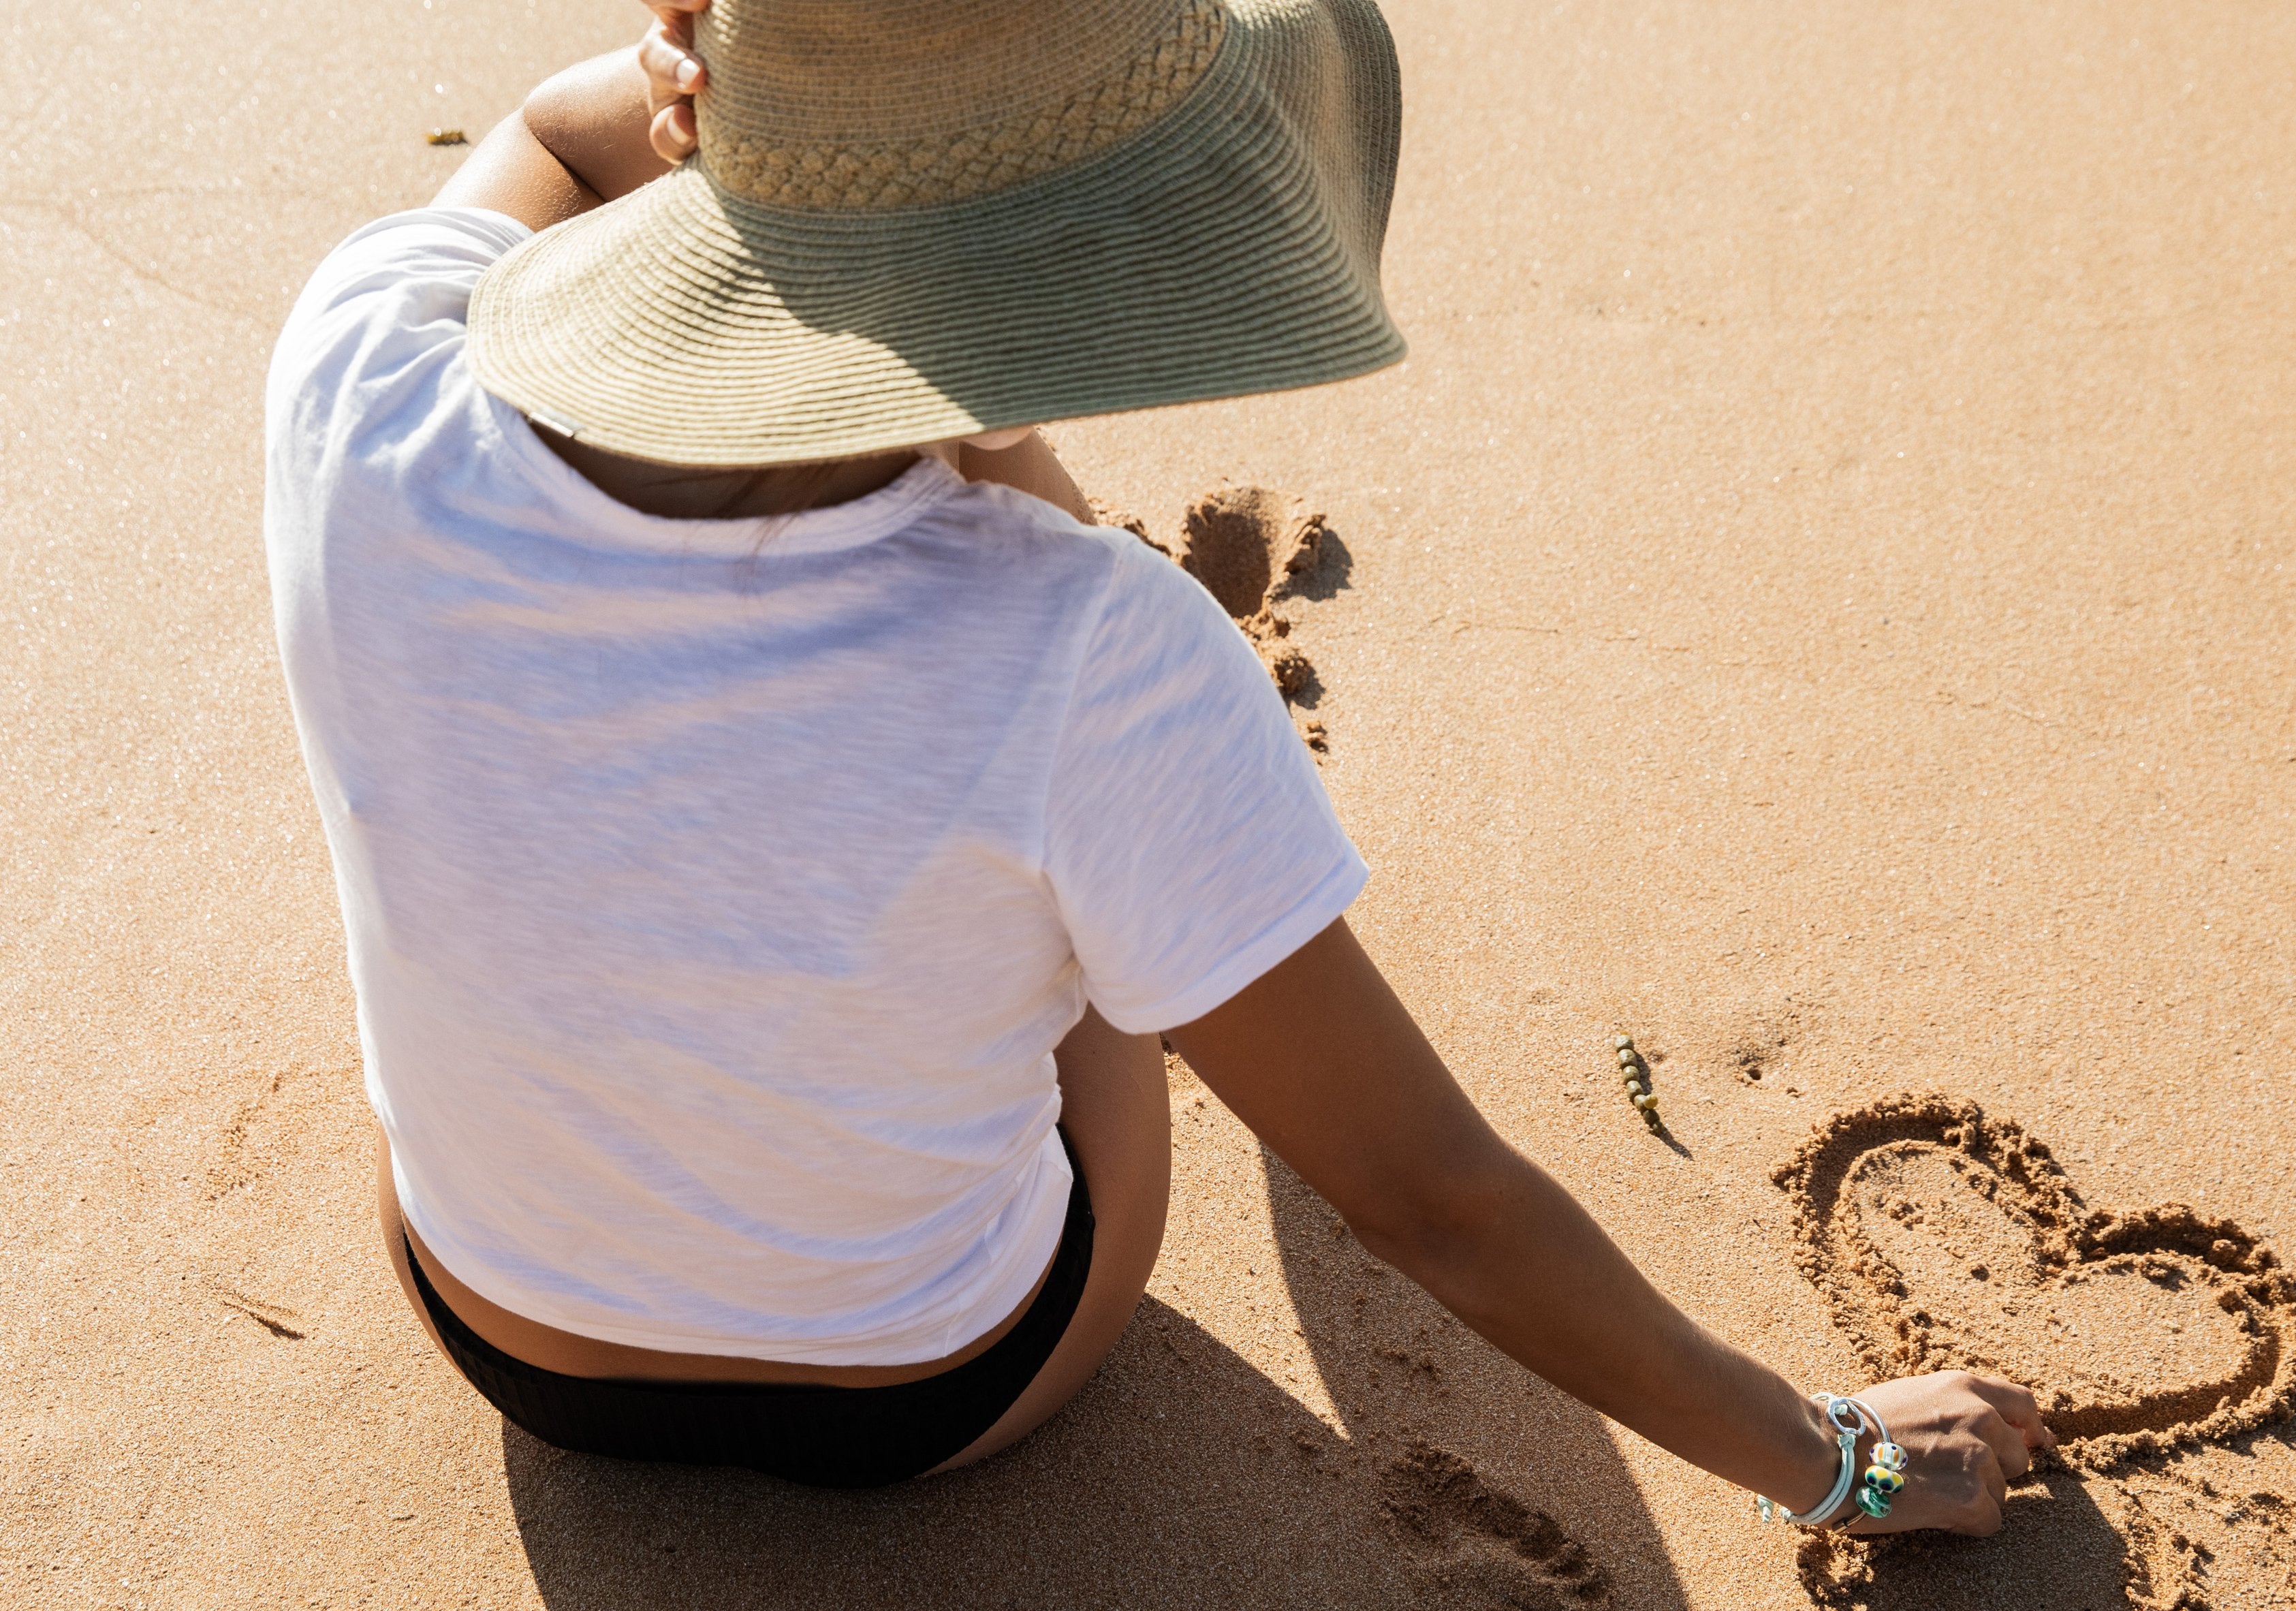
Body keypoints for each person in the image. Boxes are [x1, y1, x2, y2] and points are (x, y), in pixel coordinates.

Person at [264, 0, 2047, 1524]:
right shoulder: (1092, 654)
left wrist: (765, 95)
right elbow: (1435, 1204)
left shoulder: (361, 373)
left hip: (507, 1326)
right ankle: (1185, 899)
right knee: (1084, 873)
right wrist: (1843, 1467)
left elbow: (554, 140)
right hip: (932, 1388)